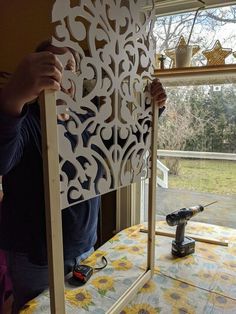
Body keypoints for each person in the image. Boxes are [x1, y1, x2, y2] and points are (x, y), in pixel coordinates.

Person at [0, 40, 167, 312]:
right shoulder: (26, 119)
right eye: (53, 66)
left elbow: (125, 149)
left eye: (71, 68)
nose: (63, 76)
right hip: (36, 257)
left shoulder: (87, 119)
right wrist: (12, 98)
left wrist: (153, 110)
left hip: (85, 246)